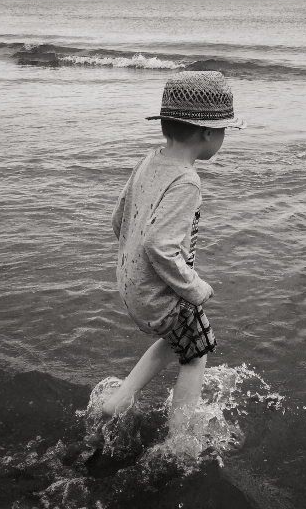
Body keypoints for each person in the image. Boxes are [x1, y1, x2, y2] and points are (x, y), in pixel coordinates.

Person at [97, 71, 245, 440]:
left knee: (178, 339)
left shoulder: (150, 161)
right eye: (225, 130)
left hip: (131, 286)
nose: (224, 138)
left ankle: (117, 402)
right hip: (159, 293)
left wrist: (136, 271)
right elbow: (159, 246)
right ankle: (180, 438)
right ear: (208, 133)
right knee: (198, 351)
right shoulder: (186, 181)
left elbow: (119, 220)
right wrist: (193, 286)